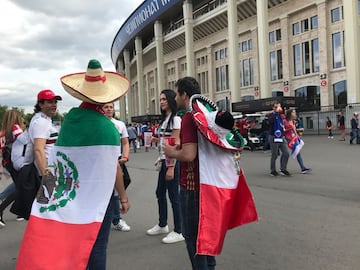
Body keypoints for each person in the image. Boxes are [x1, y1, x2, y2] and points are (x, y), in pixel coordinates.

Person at [16, 59, 130, 270]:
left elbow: (58, 159)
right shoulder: (108, 128)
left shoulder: (69, 122)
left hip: (69, 193)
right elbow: (113, 168)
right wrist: (122, 197)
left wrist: (47, 190)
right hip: (97, 198)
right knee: (97, 245)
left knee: (70, 242)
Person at [162, 77, 216, 269]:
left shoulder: (188, 117)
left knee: (193, 239)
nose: (175, 98)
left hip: (192, 186)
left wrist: (170, 152)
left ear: (184, 94)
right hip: (209, 183)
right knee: (206, 237)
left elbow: (189, 154)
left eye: (177, 94)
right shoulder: (205, 115)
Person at [146, 89, 184, 244]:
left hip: (172, 162)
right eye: (160, 99)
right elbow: (166, 142)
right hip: (164, 160)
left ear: (171, 100)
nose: (161, 102)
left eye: (164, 99)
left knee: (174, 196)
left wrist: (171, 167)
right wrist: (157, 144)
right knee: (160, 192)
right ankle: (163, 224)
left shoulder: (175, 119)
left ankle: (179, 230)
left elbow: (176, 144)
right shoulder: (165, 119)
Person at [102, 102, 131, 232]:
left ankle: (116, 219)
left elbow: (125, 143)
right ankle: (103, 219)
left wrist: (125, 157)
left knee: (116, 191)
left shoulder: (119, 125)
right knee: (103, 192)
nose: (109, 109)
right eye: (106, 107)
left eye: (111, 107)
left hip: (117, 161)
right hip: (102, 163)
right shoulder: (99, 124)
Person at [29, 89, 62, 177]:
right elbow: (38, 149)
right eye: (50, 102)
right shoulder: (41, 122)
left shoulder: (42, 119)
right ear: (41, 104)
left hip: (49, 166)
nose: (54, 105)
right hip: (47, 168)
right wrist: (46, 175)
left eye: (55, 102)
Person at [284, 109, 311, 174]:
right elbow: (284, 130)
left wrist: (299, 130)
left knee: (297, 152)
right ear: (290, 113)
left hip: (294, 138)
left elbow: (294, 130)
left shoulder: (293, 121)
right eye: (294, 112)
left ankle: (303, 168)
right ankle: (302, 168)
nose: (295, 113)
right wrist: (290, 128)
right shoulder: (285, 121)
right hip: (289, 139)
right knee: (289, 153)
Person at [268, 101, 291, 177]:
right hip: (273, 136)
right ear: (273, 108)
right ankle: (273, 170)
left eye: (279, 107)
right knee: (274, 155)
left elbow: (283, 125)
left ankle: (283, 169)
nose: (278, 108)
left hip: (281, 136)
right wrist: (276, 113)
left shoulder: (281, 116)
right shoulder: (271, 115)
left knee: (286, 153)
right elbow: (270, 121)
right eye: (276, 107)